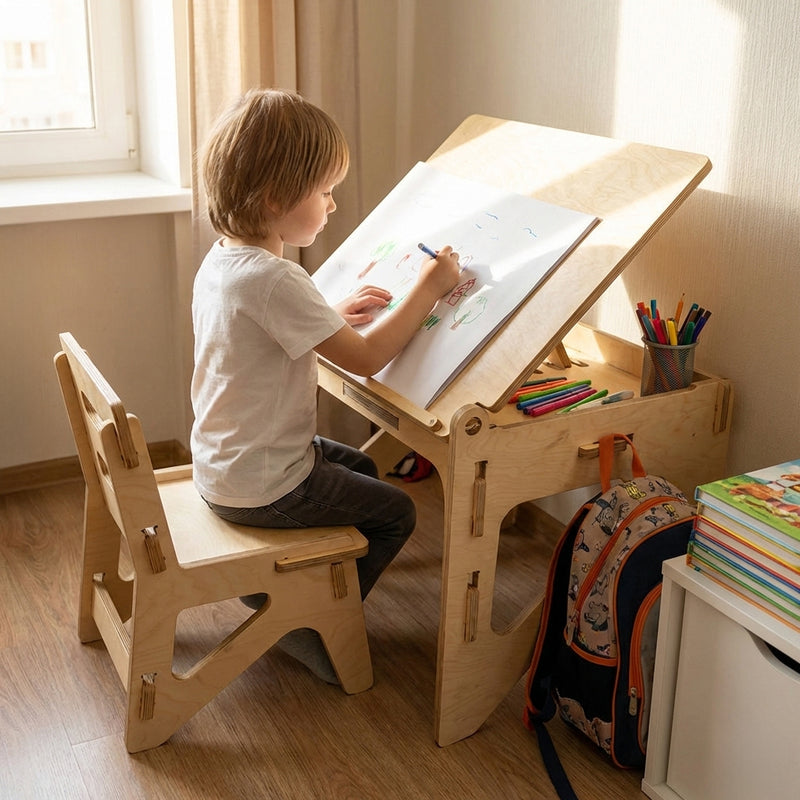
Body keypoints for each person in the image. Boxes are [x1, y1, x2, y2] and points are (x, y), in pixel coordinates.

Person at [191, 88, 460, 683]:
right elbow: (365, 359)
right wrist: (429, 288)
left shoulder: (225, 261)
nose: (333, 204)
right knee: (394, 513)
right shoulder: (277, 280)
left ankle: (301, 593)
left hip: (225, 468)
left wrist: (328, 313)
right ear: (277, 199)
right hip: (263, 486)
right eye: (325, 191)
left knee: (361, 472)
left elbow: (262, 329)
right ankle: (310, 626)